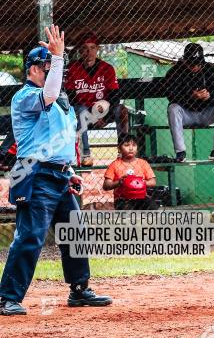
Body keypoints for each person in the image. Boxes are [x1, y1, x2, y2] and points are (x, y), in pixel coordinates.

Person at [0, 26, 112, 316]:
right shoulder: (25, 96)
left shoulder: (62, 104)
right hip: (33, 172)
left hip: (60, 174)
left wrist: (71, 169)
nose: (54, 74)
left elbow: (62, 140)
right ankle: (7, 298)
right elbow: (48, 94)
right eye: (47, 67)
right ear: (33, 70)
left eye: (54, 68)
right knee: (31, 236)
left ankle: (79, 289)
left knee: (75, 230)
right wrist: (60, 57)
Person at [64, 32, 129, 167]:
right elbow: (70, 96)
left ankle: (123, 151)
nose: (89, 52)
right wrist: (92, 116)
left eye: (92, 47)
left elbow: (115, 96)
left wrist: (104, 117)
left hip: (104, 111)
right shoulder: (72, 68)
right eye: (85, 48)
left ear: (97, 49)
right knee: (80, 110)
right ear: (80, 51)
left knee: (122, 110)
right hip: (82, 113)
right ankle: (86, 155)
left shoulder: (107, 68)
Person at [160, 43, 214, 162]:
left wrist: (209, 96)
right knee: (173, 108)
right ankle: (180, 152)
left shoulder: (208, 69)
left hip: (206, 113)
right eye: (191, 63)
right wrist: (191, 96)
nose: (195, 66)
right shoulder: (175, 72)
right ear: (185, 60)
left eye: (198, 63)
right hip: (186, 114)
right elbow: (171, 96)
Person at [103, 134, 157, 210]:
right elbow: (106, 185)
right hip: (122, 198)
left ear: (137, 148)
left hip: (141, 196)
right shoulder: (114, 165)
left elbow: (153, 182)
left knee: (152, 207)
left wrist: (142, 182)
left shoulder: (143, 163)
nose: (131, 148)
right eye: (126, 145)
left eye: (134, 145)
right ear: (119, 148)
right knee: (126, 210)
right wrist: (119, 182)